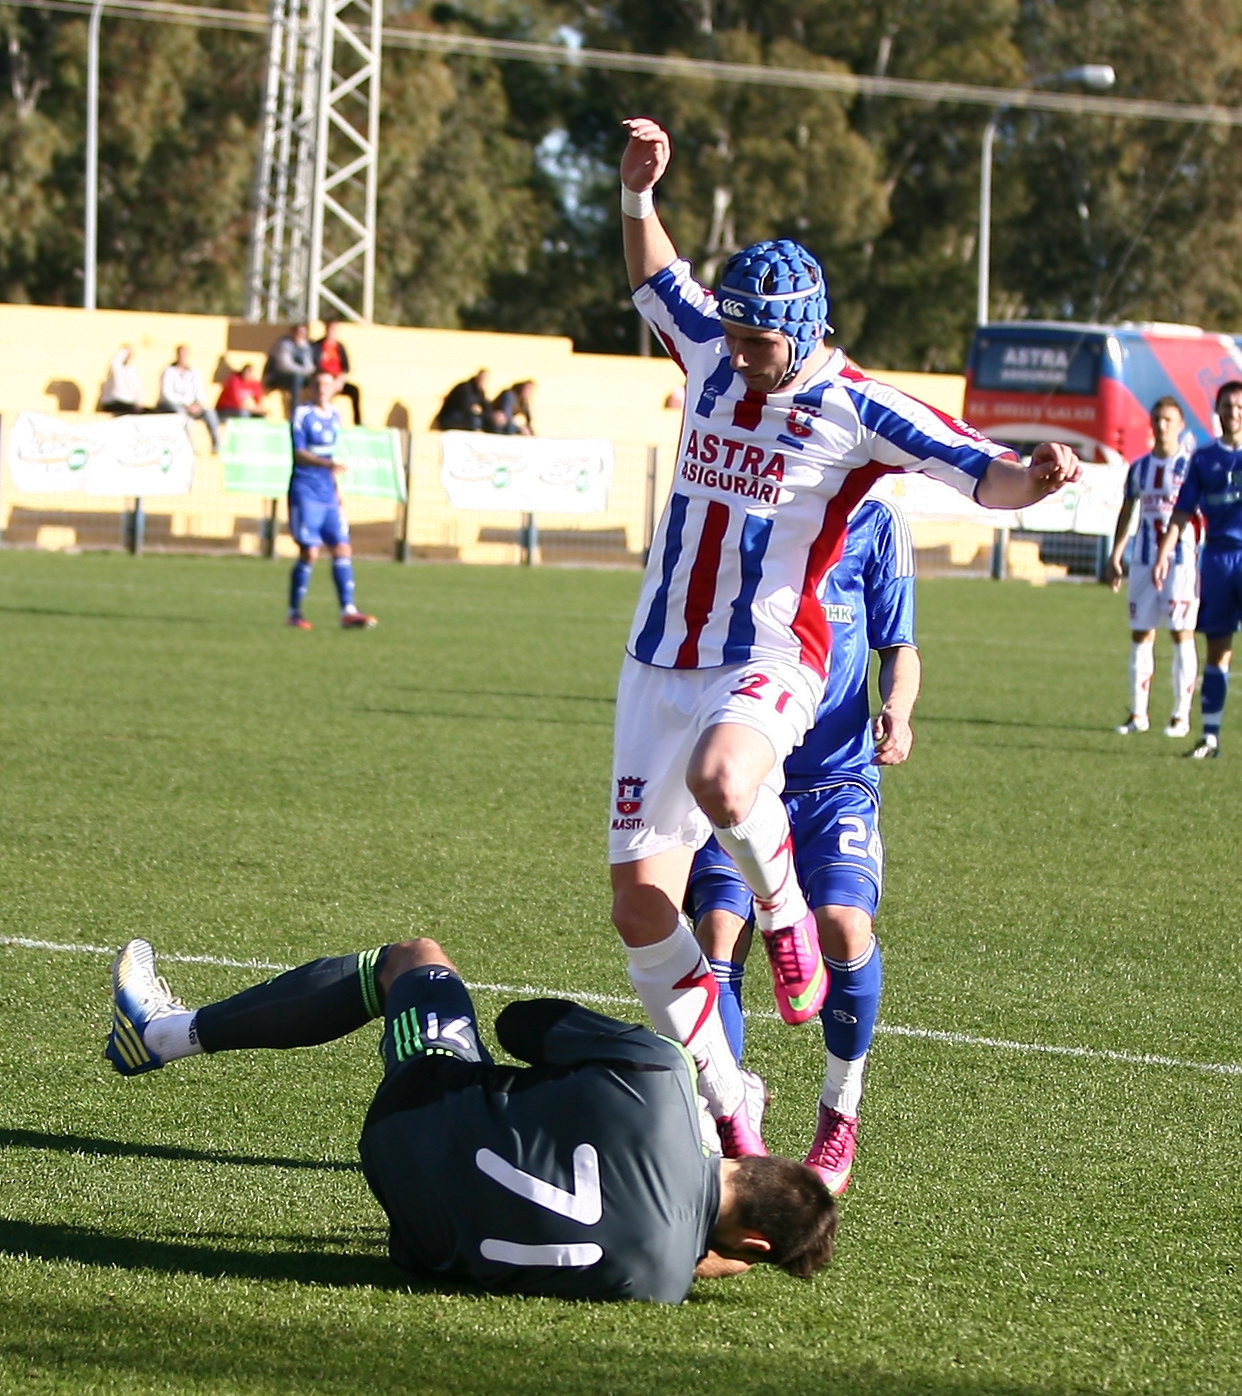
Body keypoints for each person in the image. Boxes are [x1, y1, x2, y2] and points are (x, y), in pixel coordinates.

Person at [609, 115, 1081, 1160]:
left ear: (807, 329)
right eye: (732, 338)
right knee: (640, 912)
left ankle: (785, 920)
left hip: (772, 651)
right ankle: (732, 1106)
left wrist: (1036, 479)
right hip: (656, 661)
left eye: (759, 345)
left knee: (727, 781)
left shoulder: (858, 408)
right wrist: (640, 193)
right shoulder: (713, 349)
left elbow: (981, 469)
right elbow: (656, 279)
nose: (738, 356)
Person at [102, 936, 838, 1303]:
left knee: (411, 959)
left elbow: (520, 1024)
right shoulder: (661, 1281)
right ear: (748, 1248)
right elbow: (701, 1251)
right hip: (417, 1232)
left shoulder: (664, 1076)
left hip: (417, 1111)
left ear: (750, 1158)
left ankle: (161, 1033)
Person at [686, 497, 918, 1196]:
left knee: (844, 925)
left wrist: (897, 709)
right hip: (747, 769)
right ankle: (727, 1108)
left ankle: (840, 1109)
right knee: (718, 929)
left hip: (836, 779)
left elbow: (899, 646)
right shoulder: (748, 498)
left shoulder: (878, 519)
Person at [1153, 379, 1242, 758]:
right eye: (1227, 406)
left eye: (1239, 406)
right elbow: (1182, 512)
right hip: (1218, 560)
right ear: (1217, 410)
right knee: (1217, 651)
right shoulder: (1203, 459)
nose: (1233, 412)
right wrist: (1164, 553)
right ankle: (1210, 737)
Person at [1106, 397, 1199, 738]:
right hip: (1143, 560)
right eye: (1157, 419)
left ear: (1181, 425)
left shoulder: (1190, 467)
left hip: (1181, 562)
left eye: (1169, 420)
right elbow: (1127, 510)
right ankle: (1138, 714)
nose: (1162, 426)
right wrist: (1116, 555)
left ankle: (1180, 716)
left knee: (1180, 632)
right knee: (1141, 633)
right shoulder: (1140, 467)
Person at [286, 367, 376, 630]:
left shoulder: (336, 415)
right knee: (310, 552)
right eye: (317, 385)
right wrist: (327, 465)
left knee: (342, 548)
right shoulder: (302, 414)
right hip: (306, 491)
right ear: (309, 388)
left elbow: (332, 456)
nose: (322, 389)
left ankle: (348, 611)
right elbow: (299, 453)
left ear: (334, 387)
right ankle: (294, 612)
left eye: (326, 384)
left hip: (328, 492)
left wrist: (337, 490)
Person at [157, 344, 221, 453]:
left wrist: (197, 404)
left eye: (185, 354)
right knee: (183, 416)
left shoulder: (193, 372)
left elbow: (199, 391)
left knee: (210, 413)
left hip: (192, 405)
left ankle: (216, 445)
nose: (182, 356)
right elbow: (167, 393)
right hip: (174, 405)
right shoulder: (168, 371)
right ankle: (189, 447)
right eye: (180, 353)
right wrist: (186, 404)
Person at [313, 320, 362, 426]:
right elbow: (314, 364)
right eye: (330, 328)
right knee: (323, 389)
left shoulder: (340, 347)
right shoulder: (317, 345)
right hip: (322, 379)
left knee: (354, 390)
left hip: (337, 380)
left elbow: (346, 367)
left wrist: (339, 380)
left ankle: (358, 421)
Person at [263, 323, 316, 417]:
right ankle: (294, 413)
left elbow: (310, 366)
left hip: (299, 376)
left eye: (303, 333)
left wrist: (303, 349)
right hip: (277, 376)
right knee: (297, 379)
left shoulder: (306, 346)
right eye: (298, 332)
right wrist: (303, 372)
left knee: (316, 381)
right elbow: (285, 366)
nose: (300, 335)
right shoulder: (283, 344)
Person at [100, 344, 146, 415]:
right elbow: (114, 362)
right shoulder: (116, 368)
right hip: (114, 402)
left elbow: (138, 389)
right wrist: (125, 351)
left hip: (129, 403)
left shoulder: (132, 371)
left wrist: (139, 402)